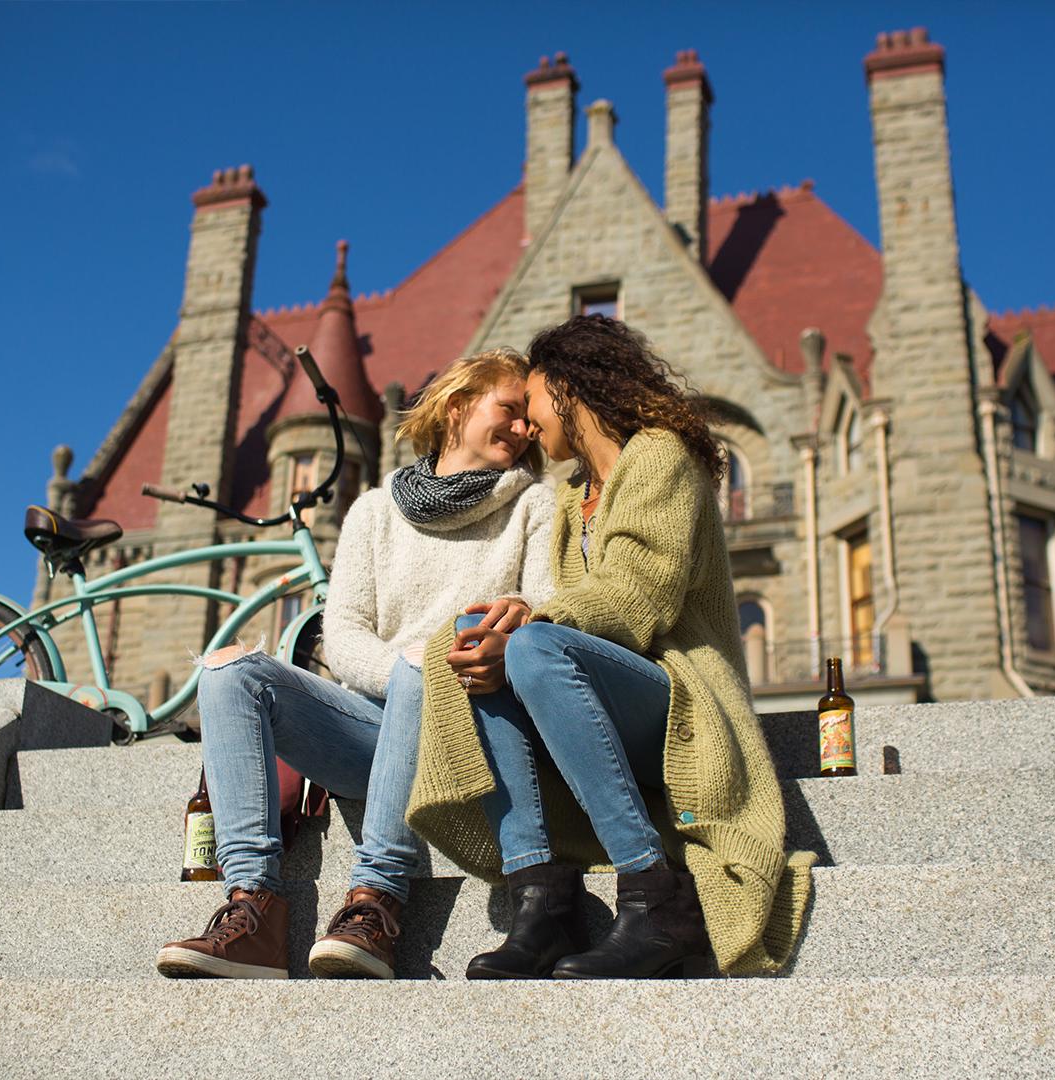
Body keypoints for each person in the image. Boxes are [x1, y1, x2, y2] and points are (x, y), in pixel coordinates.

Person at [406, 316, 814, 979]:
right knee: (467, 646)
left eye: (533, 401)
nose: (529, 425)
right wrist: (498, 631)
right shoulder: (571, 498)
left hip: (682, 698)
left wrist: (532, 619)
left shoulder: (659, 456)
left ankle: (655, 892)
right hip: (605, 702)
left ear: (570, 388)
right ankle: (539, 898)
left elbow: (638, 597)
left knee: (533, 647)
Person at [155, 347, 554, 981]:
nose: (525, 429)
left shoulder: (536, 504)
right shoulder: (373, 511)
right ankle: (252, 906)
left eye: (530, 421)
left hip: (472, 725)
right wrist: (405, 672)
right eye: (510, 409)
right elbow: (341, 637)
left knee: (429, 666)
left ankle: (376, 903)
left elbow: (541, 608)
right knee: (230, 671)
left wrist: (441, 661)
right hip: (372, 722)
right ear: (457, 407)